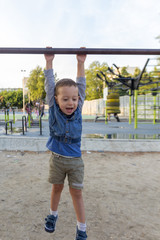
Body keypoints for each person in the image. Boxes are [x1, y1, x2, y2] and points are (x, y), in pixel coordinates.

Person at [44, 47, 87, 240]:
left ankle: (81, 228)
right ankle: (53, 216)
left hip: (75, 161)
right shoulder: (53, 109)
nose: (71, 103)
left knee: (76, 193)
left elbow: (81, 84)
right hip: (57, 160)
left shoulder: (78, 108)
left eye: (74, 99)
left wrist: (80, 62)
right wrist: (49, 62)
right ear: (56, 99)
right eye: (65, 99)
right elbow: (50, 85)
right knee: (57, 188)